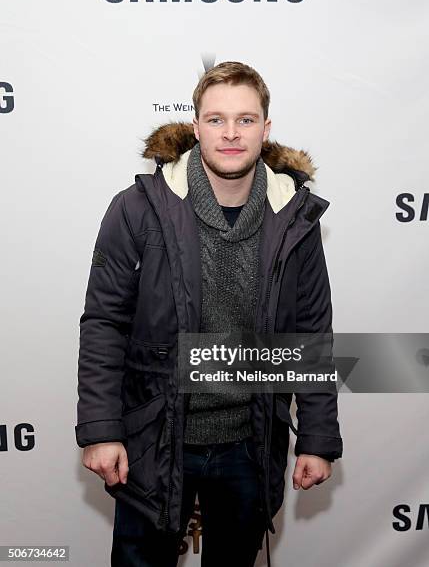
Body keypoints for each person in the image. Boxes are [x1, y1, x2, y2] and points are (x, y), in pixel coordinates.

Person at [75, 61, 343, 567]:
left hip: (250, 440)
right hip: (153, 438)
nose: (231, 133)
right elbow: (105, 324)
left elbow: (310, 333)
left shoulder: (295, 218)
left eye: (245, 120)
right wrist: (101, 428)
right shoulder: (137, 208)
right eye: (217, 119)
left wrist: (317, 437)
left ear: (266, 130)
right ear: (196, 127)